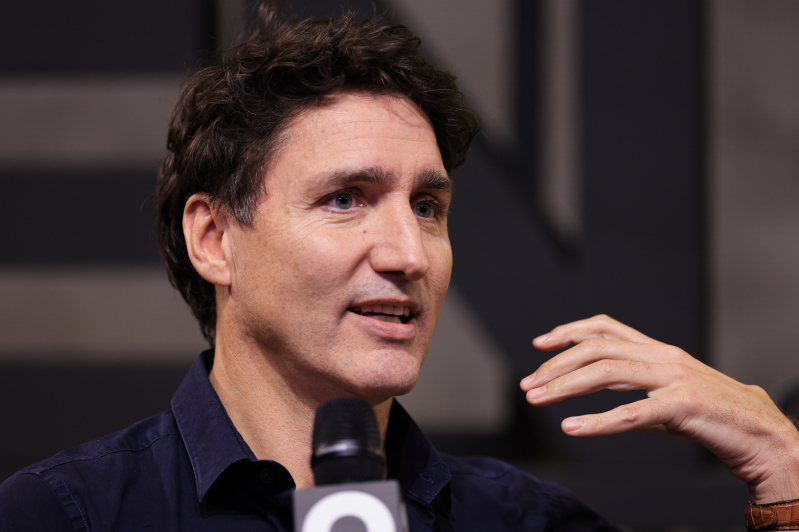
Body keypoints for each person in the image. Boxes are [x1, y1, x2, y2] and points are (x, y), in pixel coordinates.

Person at [2, 6, 798, 531]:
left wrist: (782, 479)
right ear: (215, 239)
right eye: (346, 199)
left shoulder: (525, 524)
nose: (408, 255)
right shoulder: (66, 515)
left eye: (427, 206)